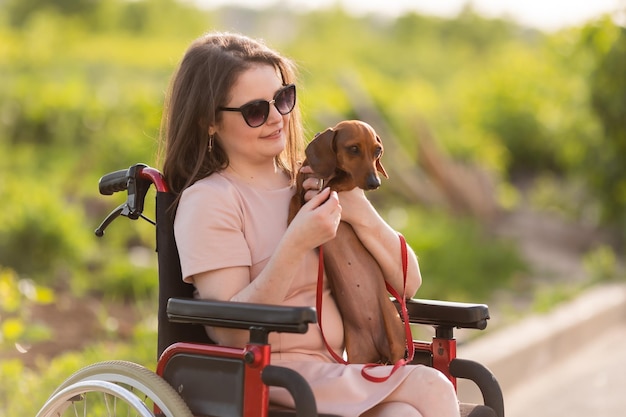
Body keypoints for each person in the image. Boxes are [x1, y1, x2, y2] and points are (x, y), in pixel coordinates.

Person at [160, 32, 460, 417]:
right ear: (210, 122)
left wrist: (359, 210)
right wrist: (297, 242)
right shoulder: (211, 200)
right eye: (255, 110)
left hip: (334, 369)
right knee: (430, 385)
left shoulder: (310, 185)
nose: (276, 118)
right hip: (270, 376)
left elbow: (408, 283)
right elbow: (230, 330)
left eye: (282, 99)